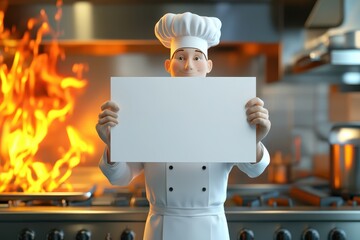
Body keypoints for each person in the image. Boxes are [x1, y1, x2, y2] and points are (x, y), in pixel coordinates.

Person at [96, 12, 271, 240]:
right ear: (168, 65)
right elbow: (119, 178)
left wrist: (254, 139)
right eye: (180, 58)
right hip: (162, 228)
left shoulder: (225, 110)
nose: (189, 66)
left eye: (197, 58)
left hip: (211, 228)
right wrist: (112, 143)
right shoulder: (148, 112)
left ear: (208, 65)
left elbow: (254, 170)